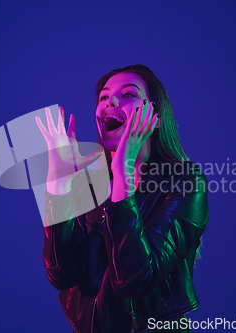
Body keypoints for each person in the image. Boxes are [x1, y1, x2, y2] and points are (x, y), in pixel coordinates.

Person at [35, 65, 209, 333]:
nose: (110, 102)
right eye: (104, 97)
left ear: (156, 116)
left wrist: (123, 175)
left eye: (128, 95)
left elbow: (133, 281)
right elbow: (62, 273)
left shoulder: (185, 183)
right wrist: (58, 183)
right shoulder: (88, 184)